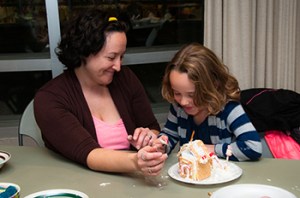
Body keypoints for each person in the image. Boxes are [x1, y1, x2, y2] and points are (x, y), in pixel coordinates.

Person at [34, 8, 167, 176]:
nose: (118, 66)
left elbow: (152, 127)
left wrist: (150, 140)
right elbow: (89, 153)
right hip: (77, 183)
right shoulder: (49, 99)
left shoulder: (125, 78)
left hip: (131, 180)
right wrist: (135, 161)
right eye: (111, 58)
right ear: (84, 52)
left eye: (122, 57)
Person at [156, 43, 262, 161]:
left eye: (192, 95)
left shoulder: (229, 109)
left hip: (222, 175)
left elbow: (253, 147)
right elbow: (169, 135)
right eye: (177, 93)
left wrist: (212, 149)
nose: (183, 102)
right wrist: (161, 145)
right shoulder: (178, 107)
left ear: (212, 86)